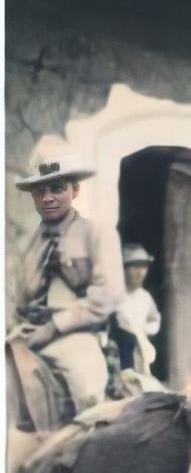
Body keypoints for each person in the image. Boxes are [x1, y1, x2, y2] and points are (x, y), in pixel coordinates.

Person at [10, 153, 125, 412]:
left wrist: (53, 327)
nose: (47, 197)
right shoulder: (27, 243)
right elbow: (17, 293)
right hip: (26, 330)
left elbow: (108, 294)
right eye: (39, 192)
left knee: (87, 390)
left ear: (75, 189)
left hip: (75, 334)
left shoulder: (95, 233)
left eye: (57, 188)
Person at [113, 243, 161, 375]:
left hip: (141, 351)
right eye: (135, 266)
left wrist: (144, 330)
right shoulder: (114, 295)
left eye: (143, 266)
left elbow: (154, 319)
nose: (140, 272)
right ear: (123, 268)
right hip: (120, 354)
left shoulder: (145, 297)